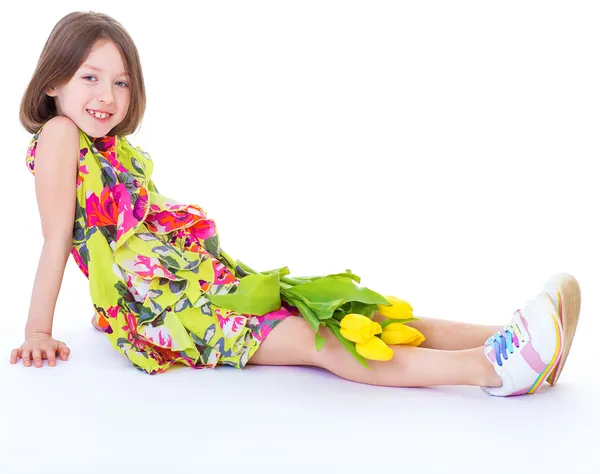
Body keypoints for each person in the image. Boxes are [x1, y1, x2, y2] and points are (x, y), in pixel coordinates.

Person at [11, 11, 582, 398]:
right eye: (90, 77)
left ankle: (512, 337)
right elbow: (59, 236)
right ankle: (492, 368)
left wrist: (112, 307)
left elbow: (112, 242)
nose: (107, 96)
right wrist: (40, 330)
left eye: (121, 82)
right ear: (53, 82)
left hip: (204, 284)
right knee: (326, 342)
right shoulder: (60, 134)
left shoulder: (108, 148)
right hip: (180, 311)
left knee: (354, 313)